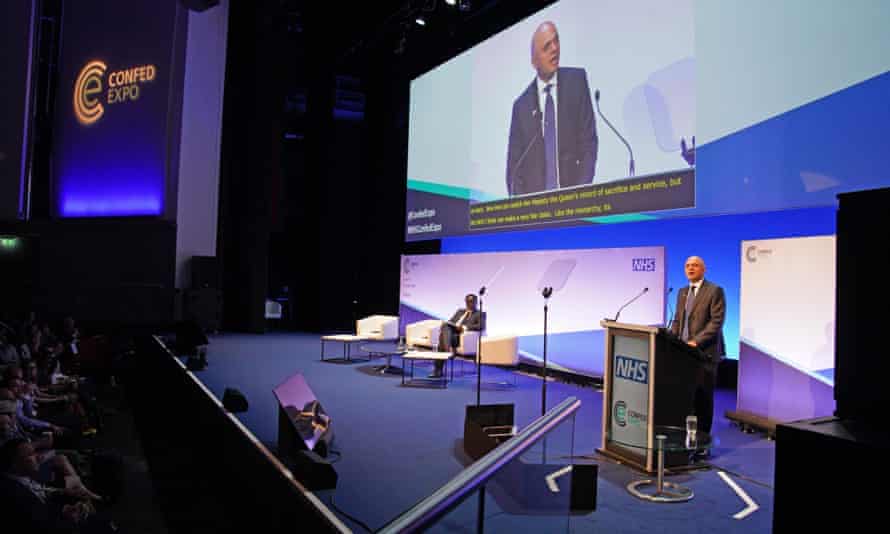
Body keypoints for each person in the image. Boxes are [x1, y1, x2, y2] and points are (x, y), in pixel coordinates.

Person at [505, 21, 598, 196]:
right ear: (534, 61)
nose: (555, 48)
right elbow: (513, 171)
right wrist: (523, 211)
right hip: (537, 213)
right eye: (547, 46)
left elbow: (589, 144)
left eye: (556, 41)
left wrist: (580, 195)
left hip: (575, 203)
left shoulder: (576, 82)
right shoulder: (521, 107)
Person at [670, 256, 726, 437]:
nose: (690, 268)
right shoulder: (682, 292)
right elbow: (678, 320)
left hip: (704, 354)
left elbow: (716, 322)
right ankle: (686, 436)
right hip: (684, 354)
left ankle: (702, 440)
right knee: (686, 399)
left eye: (695, 265)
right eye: (687, 266)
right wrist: (670, 339)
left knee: (703, 400)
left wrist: (696, 341)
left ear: (703, 269)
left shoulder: (714, 290)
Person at [430, 294, 483, 379]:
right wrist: (448, 323)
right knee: (445, 327)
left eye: (471, 301)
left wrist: (464, 327)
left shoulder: (480, 313)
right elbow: (451, 321)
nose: (469, 304)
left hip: (462, 336)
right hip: (452, 333)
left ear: (476, 302)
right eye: (467, 302)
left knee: (442, 341)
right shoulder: (460, 311)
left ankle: (438, 370)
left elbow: (481, 326)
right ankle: (448, 351)